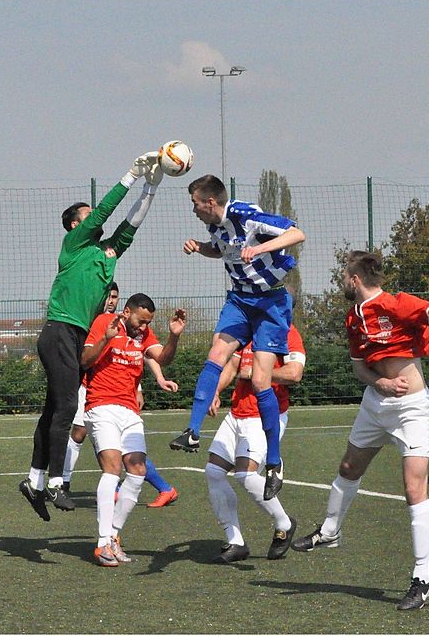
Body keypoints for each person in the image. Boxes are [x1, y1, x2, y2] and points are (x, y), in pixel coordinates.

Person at [291, 251, 429, 611]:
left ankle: (422, 577)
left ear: (355, 279)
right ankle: (330, 531)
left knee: (413, 489)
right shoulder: (353, 320)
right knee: (347, 469)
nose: (342, 281)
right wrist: (381, 383)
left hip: (412, 409)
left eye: (345, 275)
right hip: (375, 405)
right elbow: (361, 370)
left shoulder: (398, 304)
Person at [19, 153, 163, 521]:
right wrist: (131, 174)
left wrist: (151, 186)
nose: (93, 216)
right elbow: (104, 214)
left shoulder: (107, 254)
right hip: (59, 332)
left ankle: (34, 482)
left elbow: (131, 222)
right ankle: (55, 482)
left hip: (73, 335)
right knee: (68, 407)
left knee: (54, 408)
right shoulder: (74, 246)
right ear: (73, 225)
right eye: (86, 214)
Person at [169, 174, 305, 501]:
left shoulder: (247, 215)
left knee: (260, 382)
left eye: (195, 204)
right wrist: (200, 248)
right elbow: (222, 251)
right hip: (239, 301)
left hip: (271, 301)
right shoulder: (215, 227)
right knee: (216, 353)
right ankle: (193, 431)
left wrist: (259, 247)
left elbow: (297, 233)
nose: (194, 210)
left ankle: (273, 462)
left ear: (210, 202)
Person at [82, 293, 185, 566]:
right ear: (127, 312)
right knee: (113, 468)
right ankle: (103, 542)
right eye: (140, 321)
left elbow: (162, 358)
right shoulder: (105, 322)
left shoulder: (144, 333)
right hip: (101, 405)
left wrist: (174, 336)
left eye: (147, 322)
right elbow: (84, 360)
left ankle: (113, 536)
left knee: (138, 471)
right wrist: (105, 338)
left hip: (130, 411)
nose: (143, 327)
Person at [62, 283, 179, 508]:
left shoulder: (138, 330)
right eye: (108, 296)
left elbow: (152, 356)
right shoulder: (100, 320)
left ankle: (159, 489)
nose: (111, 300)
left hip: (124, 404)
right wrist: (106, 338)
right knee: (105, 456)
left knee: (133, 464)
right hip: (98, 397)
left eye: (115, 296)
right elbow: (85, 360)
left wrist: (154, 379)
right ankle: (66, 483)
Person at [203, 323, 305, 564]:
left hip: (265, 416)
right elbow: (233, 365)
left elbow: (294, 374)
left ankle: (284, 523)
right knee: (213, 471)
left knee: (245, 475)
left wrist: (260, 374)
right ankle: (235, 541)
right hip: (236, 414)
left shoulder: (288, 332)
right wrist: (215, 391)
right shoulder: (248, 329)